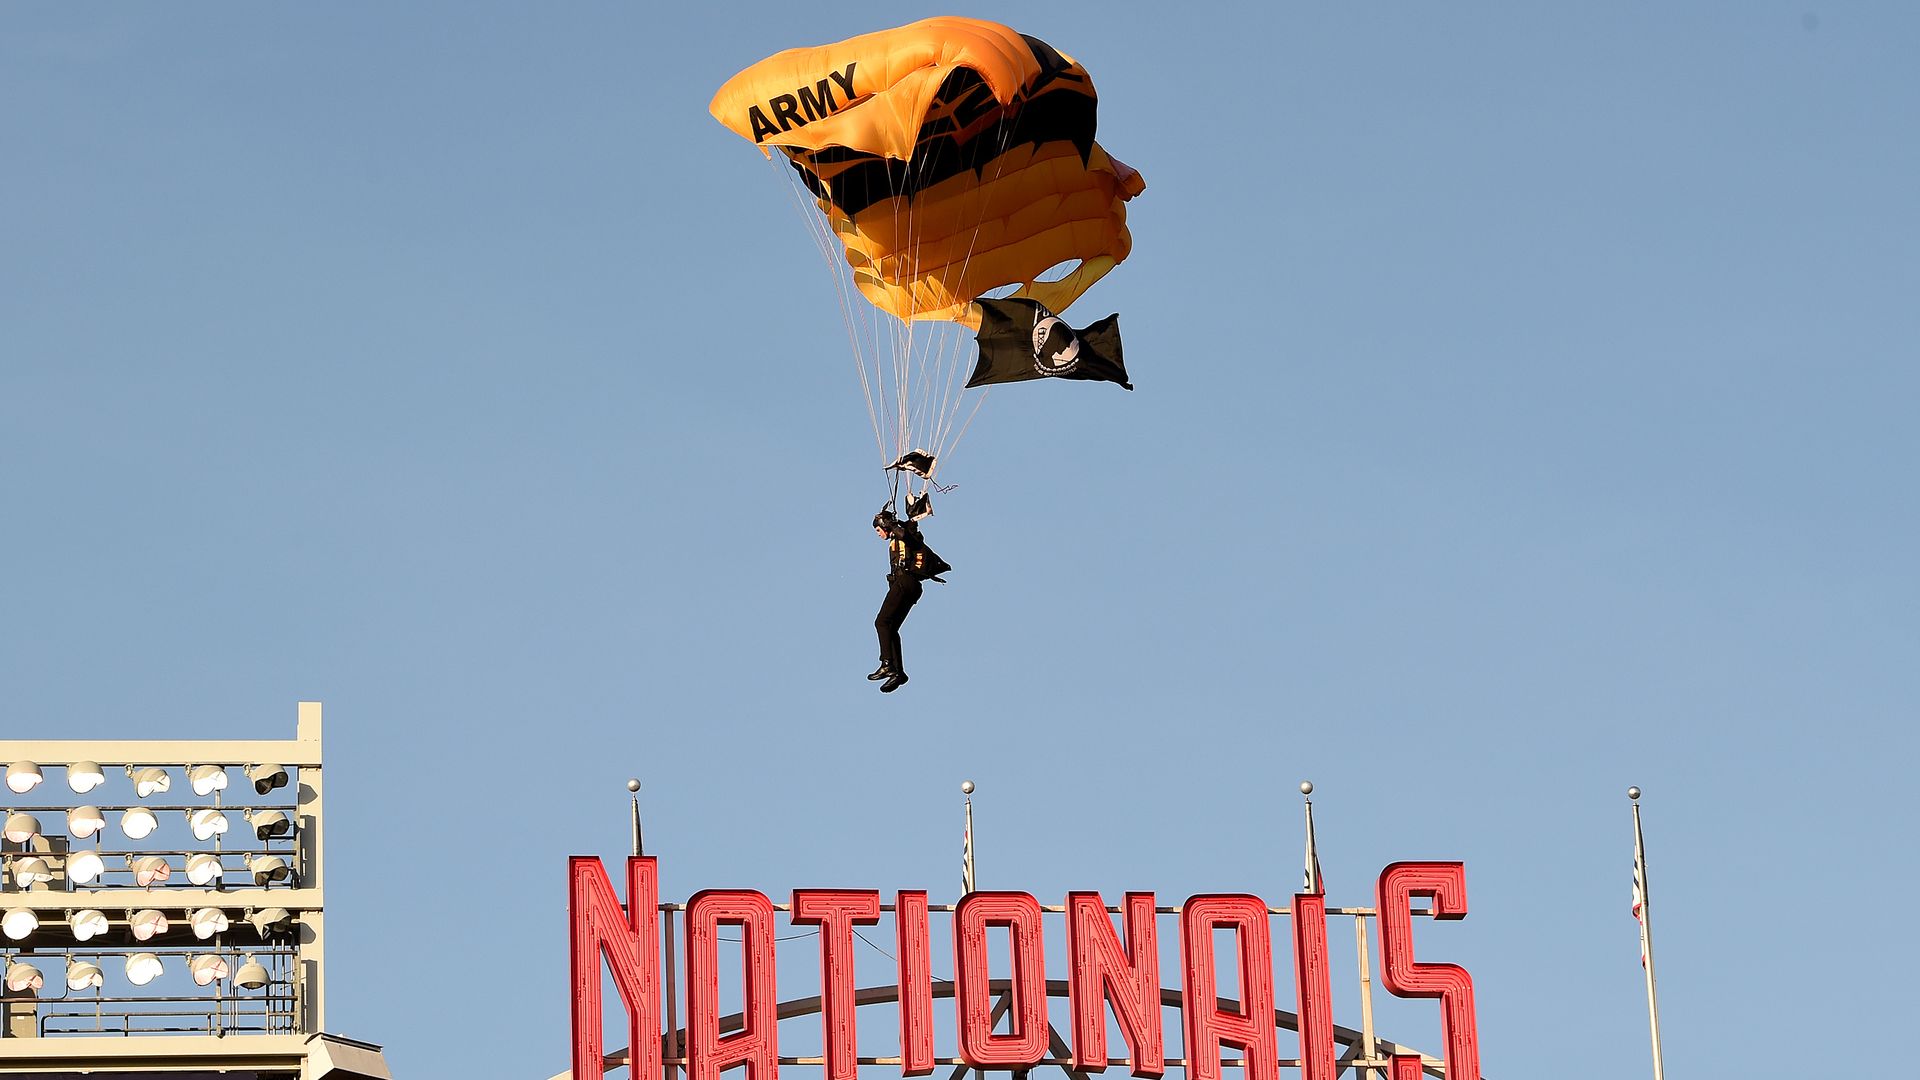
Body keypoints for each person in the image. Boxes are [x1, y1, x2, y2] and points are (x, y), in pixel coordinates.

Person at [869, 509, 946, 692]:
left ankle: (887, 664)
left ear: (885, 526)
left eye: (879, 530)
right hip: (910, 587)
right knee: (891, 627)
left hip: (906, 583)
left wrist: (893, 524)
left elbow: (909, 535)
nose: (878, 535)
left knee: (881, 622)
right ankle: (898, 673)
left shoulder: (905, 535)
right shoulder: (898, 539)